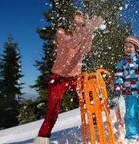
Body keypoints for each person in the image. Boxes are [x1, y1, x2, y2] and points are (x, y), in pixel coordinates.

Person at [35, 10, 104, 144]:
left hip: (76, 77)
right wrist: (86, 30)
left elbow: (86, 49)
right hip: (58, 77)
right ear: (70, 18)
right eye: (76, 15)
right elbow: (71, 43)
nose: (79, 17)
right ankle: (42, 139)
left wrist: (89, 31)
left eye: (81, 15)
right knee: (52, 111)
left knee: (90, 100)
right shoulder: (61, 32)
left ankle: (96, 129)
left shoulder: (83, 33)